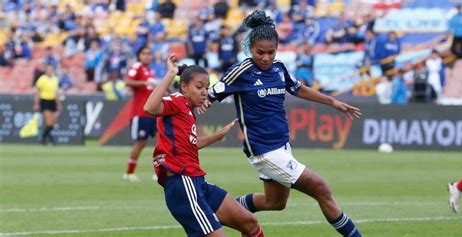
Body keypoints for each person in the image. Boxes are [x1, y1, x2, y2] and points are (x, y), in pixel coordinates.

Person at [203, 10, 362, 237]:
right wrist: (198, 104)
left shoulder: (279, 68)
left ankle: (220, 211)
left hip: (281, 146)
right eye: (260, 53)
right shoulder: (241, 72)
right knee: (321, 188)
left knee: (274, 202)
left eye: (271, 52)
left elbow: (298, 88)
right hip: (264, 150)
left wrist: (332, 101)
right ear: (250, 49)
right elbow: (209, 96)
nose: (266, 58)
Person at [143, 54, 264, 237]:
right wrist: (170, 74)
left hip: (197, 181)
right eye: (199, 87)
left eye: (207, 88)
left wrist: (217, 136)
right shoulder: (177, 100)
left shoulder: (187, 110)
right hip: (183, 183)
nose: (204, 92)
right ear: (184, 87)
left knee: (249, 222)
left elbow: (190, 145)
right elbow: (149, 108)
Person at [122, 46, 159, 182]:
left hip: (153, 113)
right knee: (141, 143)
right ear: (139, 55)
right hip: (140, 113)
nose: (147, 56)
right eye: (144, 53)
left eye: (149, 53)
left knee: (161, 141)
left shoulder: (149, 70)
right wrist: (143, 82)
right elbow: (127, 82)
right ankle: (129, 172)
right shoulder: (137, 67)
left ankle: (159, 171)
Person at [33, 64, 61, 146]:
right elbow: (38, 92)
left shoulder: (55, 79)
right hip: (44, 100)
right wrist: (36, 103)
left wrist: (58, 103)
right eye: (48, 69)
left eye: (51, 69)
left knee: (53, 123)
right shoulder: (42, 79)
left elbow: (56, 93)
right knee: (48, 122)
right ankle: (49, 140)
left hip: (52, 101)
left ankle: (43, 137)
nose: (50, 71)